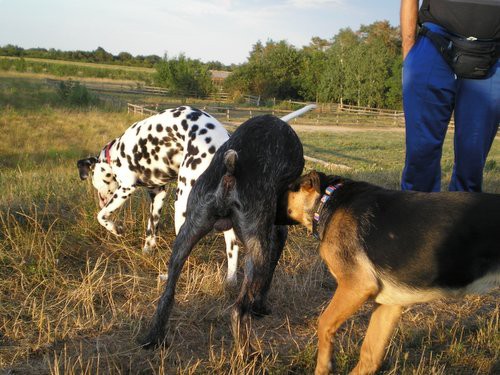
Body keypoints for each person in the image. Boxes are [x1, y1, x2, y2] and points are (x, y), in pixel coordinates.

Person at [400, 0, 500, 192]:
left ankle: (460, 220)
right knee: (420, 158)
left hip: (492, 54)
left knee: (472, 163)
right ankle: (417, 219)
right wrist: (409, 47)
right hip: (434, 42)